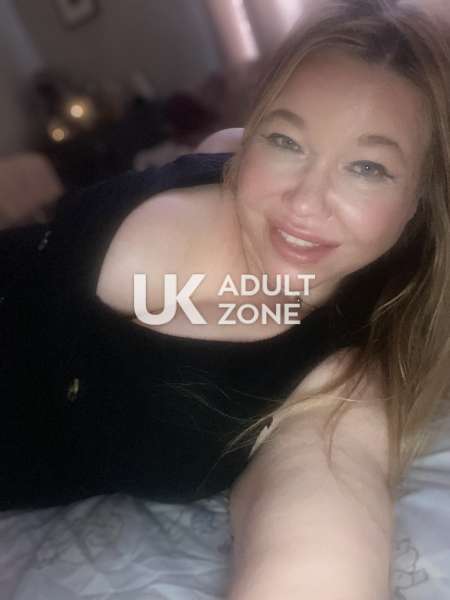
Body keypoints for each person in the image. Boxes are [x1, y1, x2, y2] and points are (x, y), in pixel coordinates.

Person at [1, 0, 450, 598]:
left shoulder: (338, 384)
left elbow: (318, 544)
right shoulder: (231, 151)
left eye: (367, 168)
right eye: (286, 139)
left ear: (420, 195)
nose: (304, 202)